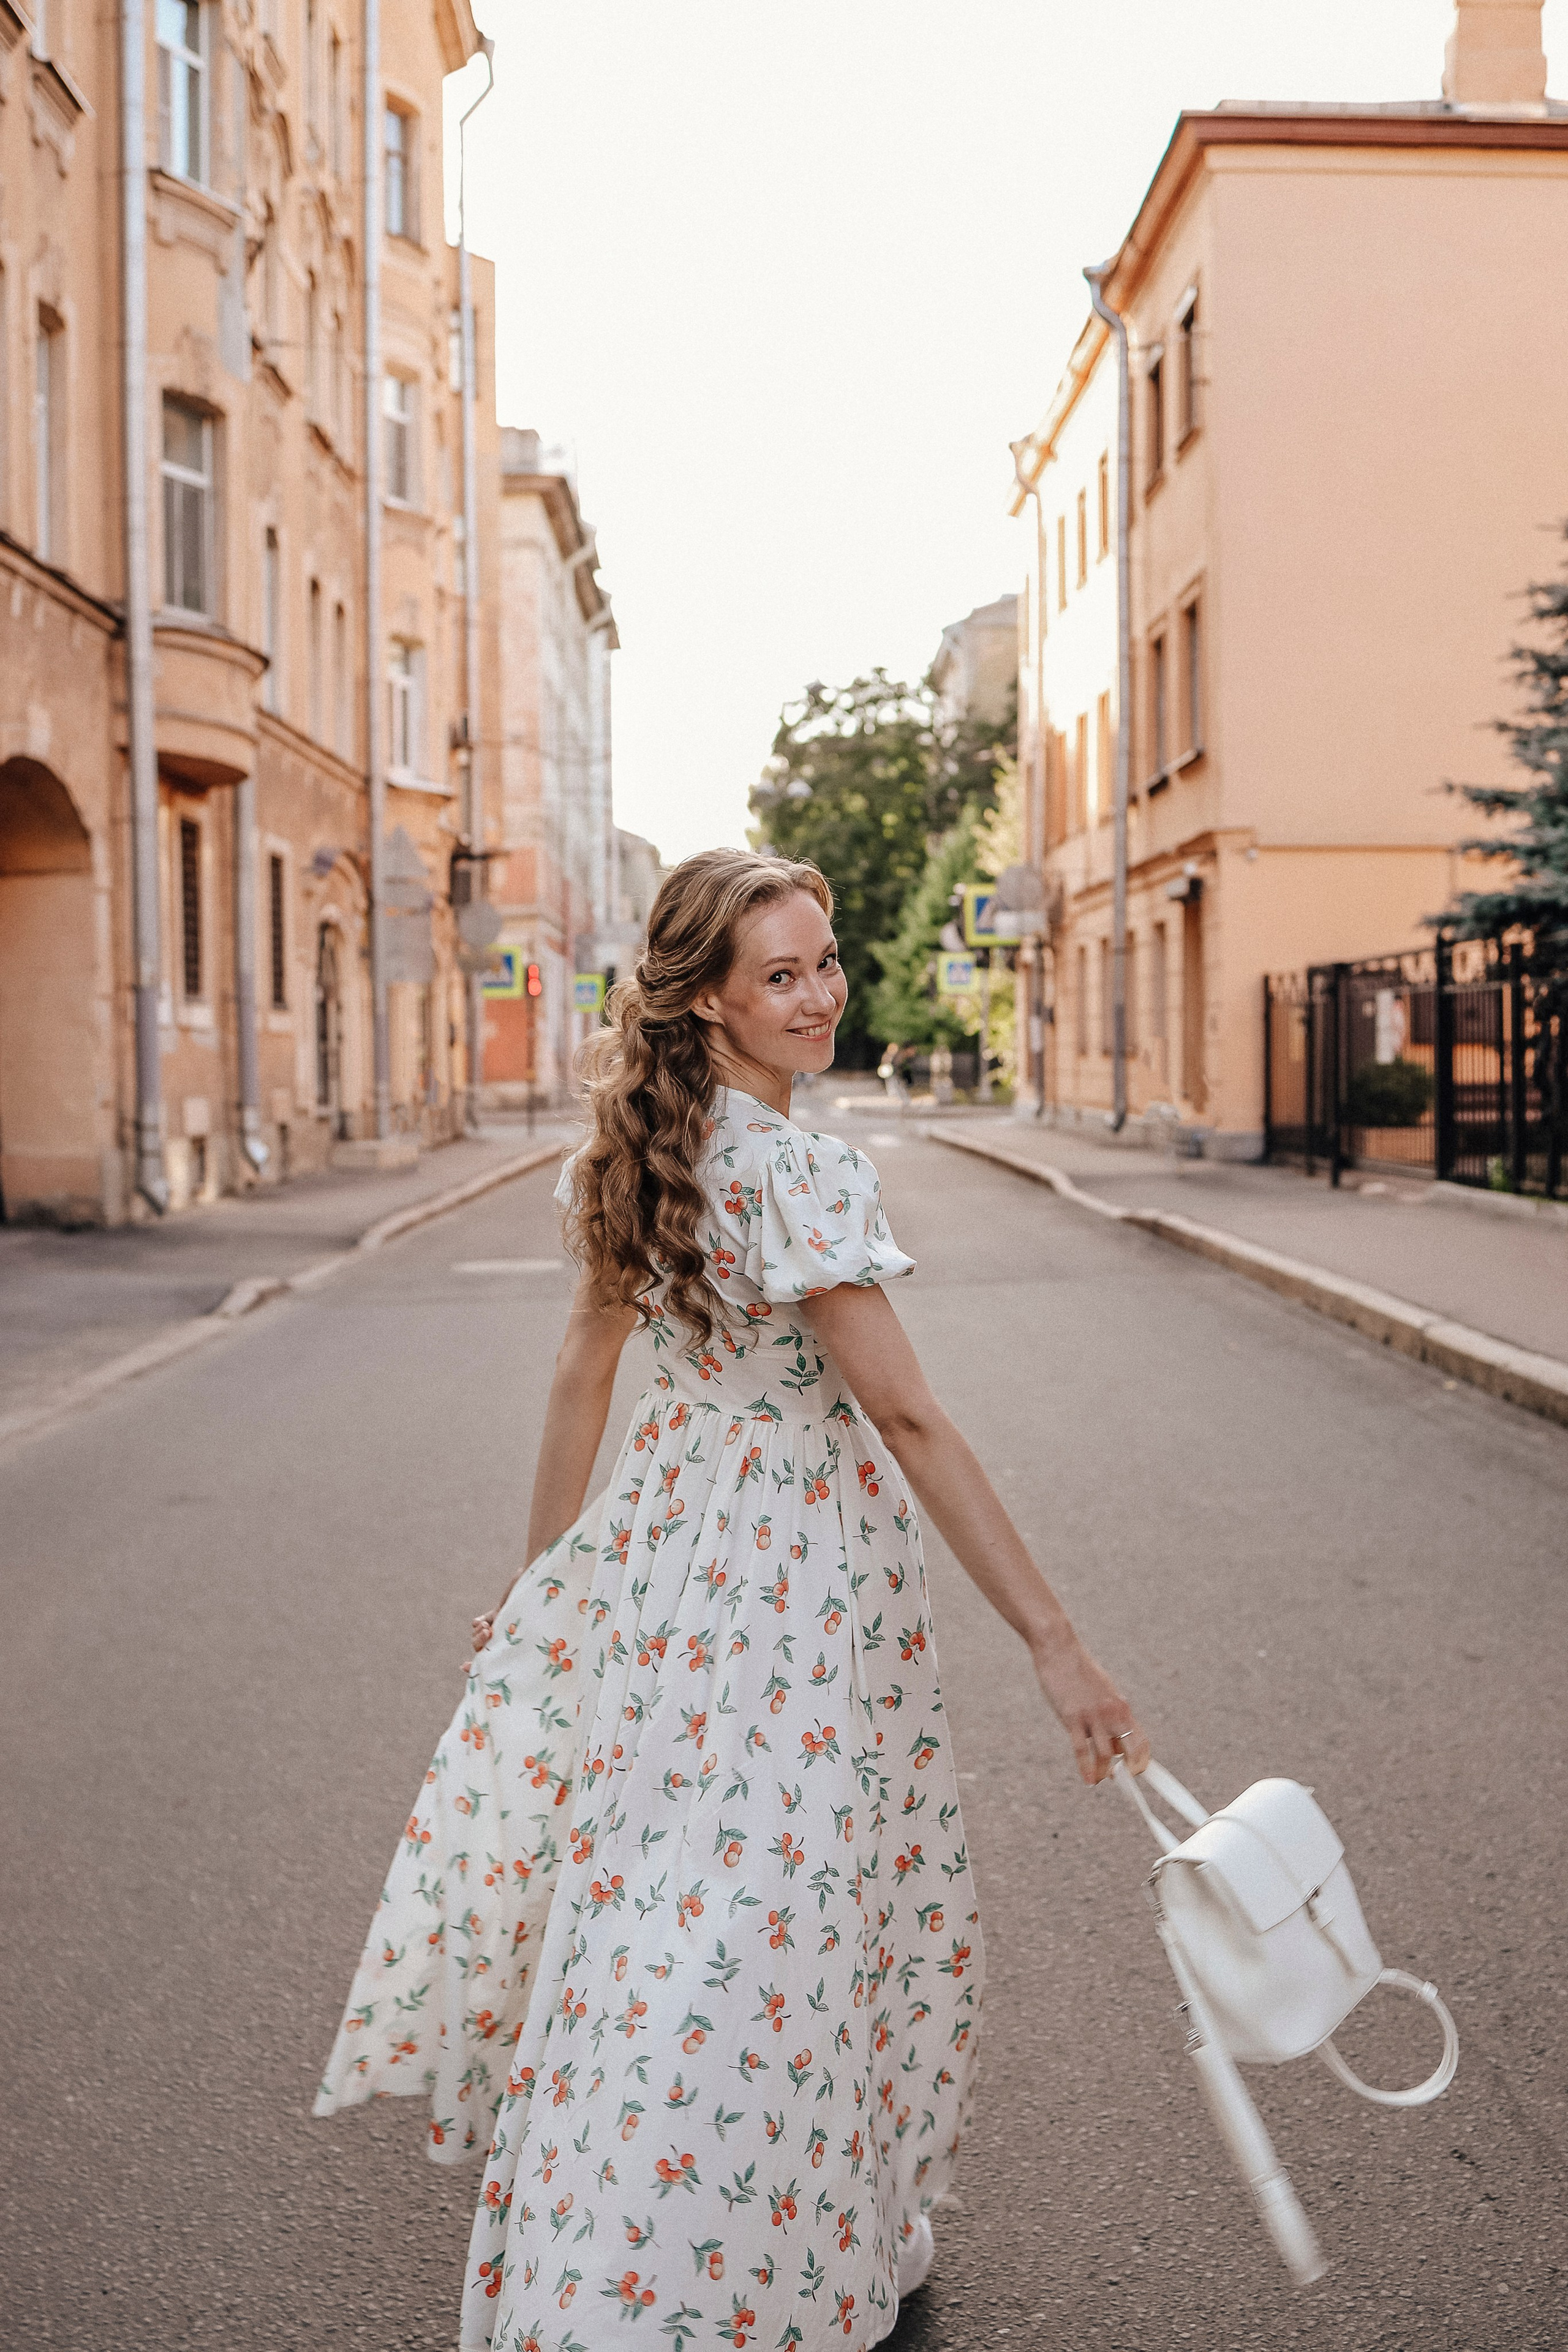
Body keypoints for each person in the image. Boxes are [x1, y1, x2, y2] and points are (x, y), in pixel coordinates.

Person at [314, 848, 1149, 2351]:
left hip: (663, 1548)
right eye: (782, 973)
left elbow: (583, 1371)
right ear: (707, 998)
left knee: (654, 1901)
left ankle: (633, 2255)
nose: (822, 993)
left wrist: (546, 1583)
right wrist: (1055, 1642)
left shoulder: (633, 1154)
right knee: (787, 1913)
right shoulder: (797, 1173)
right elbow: (906, 1419)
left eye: (825, 961)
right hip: (794, 1570)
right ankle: (733, 2266)